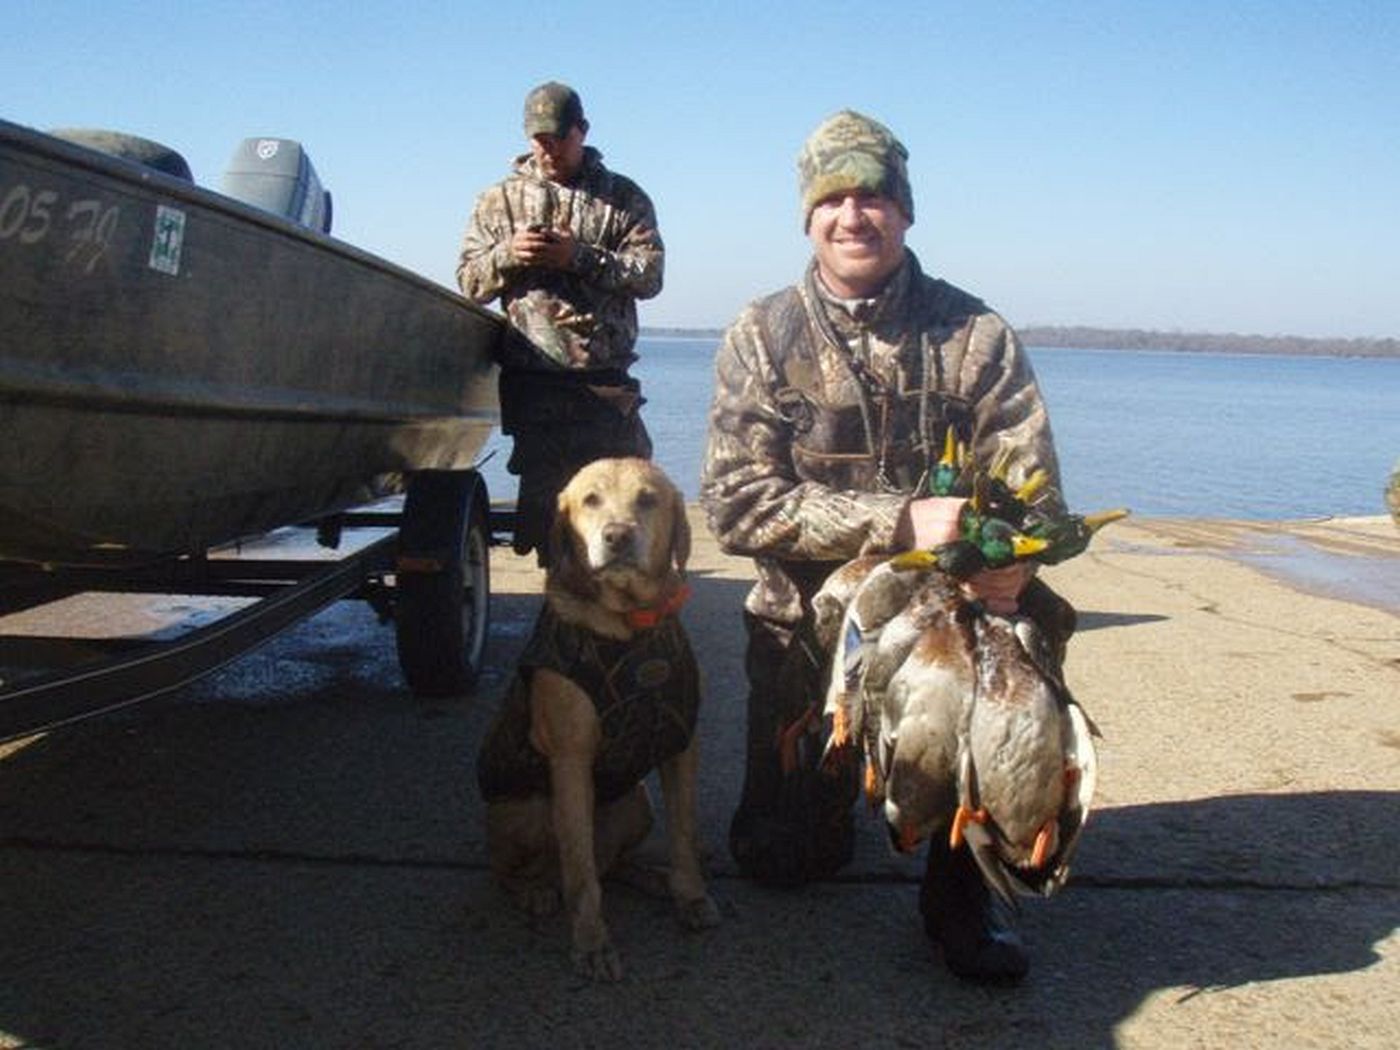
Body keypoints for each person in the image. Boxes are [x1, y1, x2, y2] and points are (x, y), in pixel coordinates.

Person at [699, 109, 1077, 983]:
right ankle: (835, 801)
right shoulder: (761, 334)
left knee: (1006, 689)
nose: (853, 217)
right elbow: (734, 506)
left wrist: (1015, 557)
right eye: (833, 199)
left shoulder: (975, 335)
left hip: (953, 628)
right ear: (808, 217)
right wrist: (897, 523)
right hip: (812, 627)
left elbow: (1038, 493)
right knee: (783, 862)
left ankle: (964, 891)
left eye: (873, 196)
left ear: (905, 212)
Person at [458, 81, 663, 564]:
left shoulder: (623, 197)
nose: (547, 148)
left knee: (618, 509)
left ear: (581, 131)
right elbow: (470, 282)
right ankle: (562, 620)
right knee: (550, 520)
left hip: (604, 387)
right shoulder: (497, 202)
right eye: (538, 139)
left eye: (557, 136)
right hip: (535, 386)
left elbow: (650, 275)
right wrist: (509, 254)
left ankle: (619, 622)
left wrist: (581, 257)